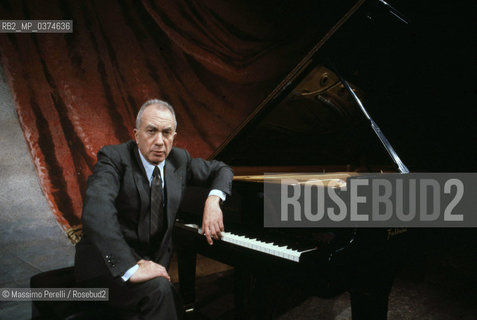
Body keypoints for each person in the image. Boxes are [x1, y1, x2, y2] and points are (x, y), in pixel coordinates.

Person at [75, 99, 233, 319]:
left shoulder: (179, 160)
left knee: (163, 295)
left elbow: (222, 169)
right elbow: (97, 211)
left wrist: (213, 200)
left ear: (174, 137)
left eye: (166, 133)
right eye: (151, 131)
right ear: (136, 134)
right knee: (161, 292)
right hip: (106, 265)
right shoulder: (113, 158)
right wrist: (130, 268)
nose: (160, 141)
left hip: (151, 266)